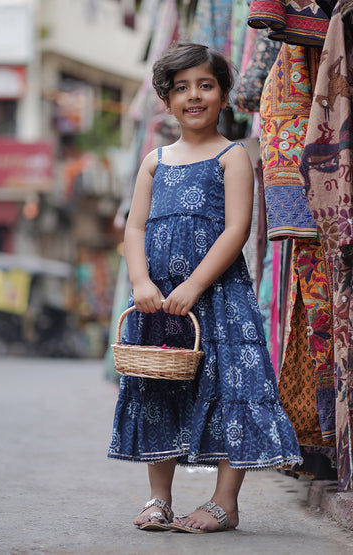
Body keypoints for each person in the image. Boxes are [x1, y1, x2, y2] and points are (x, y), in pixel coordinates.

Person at [108, 41, 302, 534]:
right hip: (159, 299)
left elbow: (237, 229)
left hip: (218, 297)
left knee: (233, 389)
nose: (194, 96)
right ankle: (159, 498)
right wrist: (140, 282)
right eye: (181, 88)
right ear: (166, 100)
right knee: (158, 388)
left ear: (223, 94)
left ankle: (224, 503)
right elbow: (134, 228)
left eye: (205, 85)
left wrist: (195, 284)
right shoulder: (155, 160)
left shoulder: (233, 156)